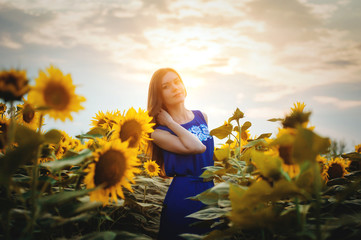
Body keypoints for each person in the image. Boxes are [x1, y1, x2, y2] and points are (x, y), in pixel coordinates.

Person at [147, 68, 214, 240]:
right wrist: (170, 122)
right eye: (166, 86)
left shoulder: (202, 116)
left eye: (177, 81)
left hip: (210, 190)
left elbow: (206, 155)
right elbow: (197, 147)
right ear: (159, 95)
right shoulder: (158, 133)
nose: (175, 87)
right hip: (184, 195)